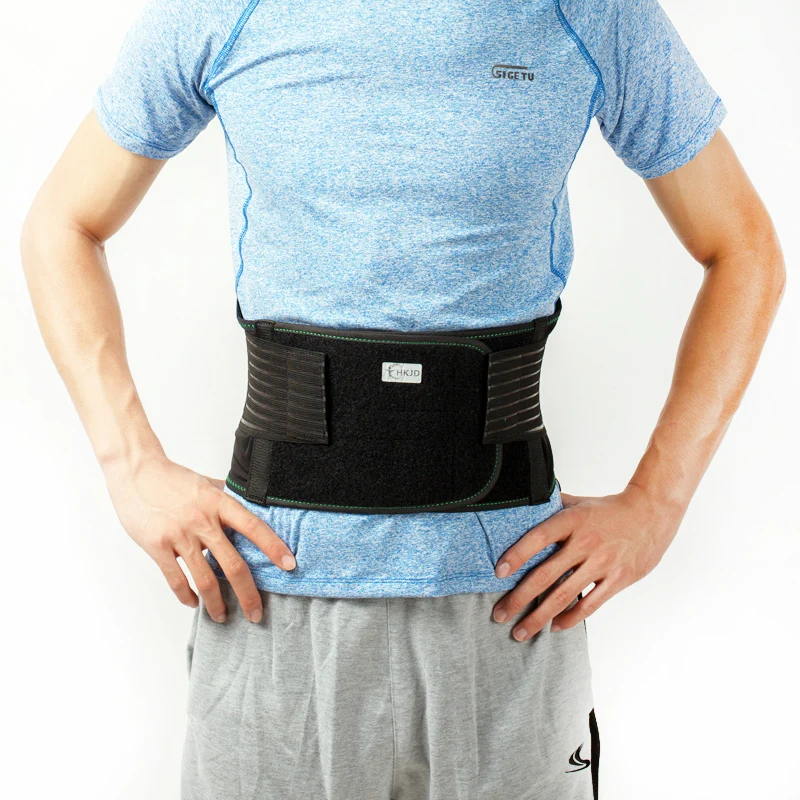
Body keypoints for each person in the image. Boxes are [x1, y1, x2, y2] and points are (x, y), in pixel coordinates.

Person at [20, 0, 784, 797]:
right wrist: (130, 466)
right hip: (273, 602)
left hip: (508, 608)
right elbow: (61, 225)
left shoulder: (591, 13)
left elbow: (745, 249)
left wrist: (658, 504)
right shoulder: (226, 10)